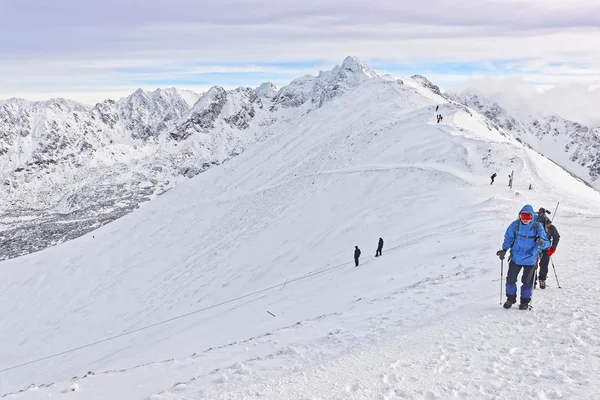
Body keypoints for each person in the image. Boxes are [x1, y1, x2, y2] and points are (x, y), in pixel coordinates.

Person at [496, 205, 550, 309]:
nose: (525, 219)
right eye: (523, 216)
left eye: (528, 217)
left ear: (532, 217)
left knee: (527, 282)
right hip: (516, 257)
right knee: (510, 280)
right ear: (519, 216)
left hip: (530, 258)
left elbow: (546, 243)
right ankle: (510, 299)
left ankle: (524, 302)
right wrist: (504, 249)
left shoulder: (537, 226)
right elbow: (508, 238)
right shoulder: (515, 225)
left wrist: (541, 243)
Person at [537, 217, 560, 289]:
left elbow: (556, 237)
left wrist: (553, 248)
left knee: (544, 265)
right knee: (532, 264)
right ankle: (531, 280)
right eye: (547, 224)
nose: (548, 225)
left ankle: (542, 279)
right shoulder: (536, 227)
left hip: (547, 249)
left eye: (549, 224)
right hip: (535, 248)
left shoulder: (552, 228)